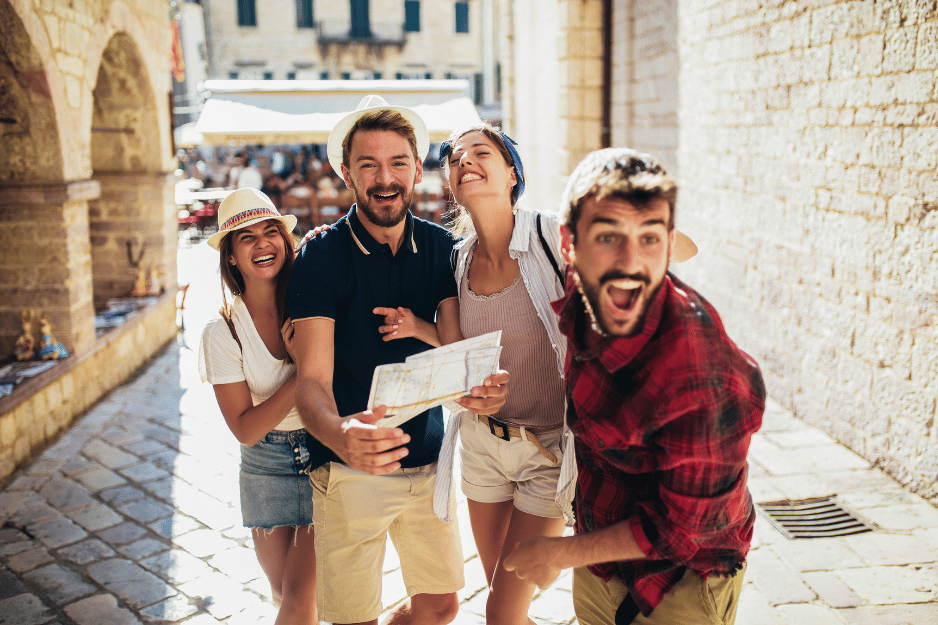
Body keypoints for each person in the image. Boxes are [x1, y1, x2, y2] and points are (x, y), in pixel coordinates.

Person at [503, 148, 765, 625]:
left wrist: (559, 554)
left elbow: (682, 530)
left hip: (681, 580)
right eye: (608, 236)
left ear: (667, 246)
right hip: (601, 560)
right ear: (570, 245)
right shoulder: (587, 290)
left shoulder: (698, 373)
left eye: (649, 240)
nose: (629, 263)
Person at [287, 95, 509, 625]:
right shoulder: (320, 256)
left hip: (429, 462)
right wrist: (340, 434)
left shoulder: (441, 248)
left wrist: (480, 390)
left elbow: (456, 357)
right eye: (368, 165)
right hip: (348, 466)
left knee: (440, 606)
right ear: (346, 173)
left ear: (415, 168)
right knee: (352, 618)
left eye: (397, 163)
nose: (384, 178)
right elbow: (310, 381)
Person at [427, 123, 573, 625]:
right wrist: (469, 394)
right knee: (503, 606)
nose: (464, 158)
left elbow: (655, 254)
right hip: (482, 448)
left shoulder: (552, 235)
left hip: (547, 451)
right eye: (454, 156)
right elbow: (458, 356)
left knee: (501, 613)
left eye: (480, 151)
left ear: (512, 173)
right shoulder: (455, 261)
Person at [198, 187, 320, 625]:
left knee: (301, 597)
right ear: (230, 256)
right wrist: (302, 369)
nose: (262, 243)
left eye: (271, 231)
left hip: (325, 453)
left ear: (286, 242)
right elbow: (246, 429)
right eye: (246, 237)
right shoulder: (223, 331)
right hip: (266, 465)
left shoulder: (312, 300)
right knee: (284, 594)